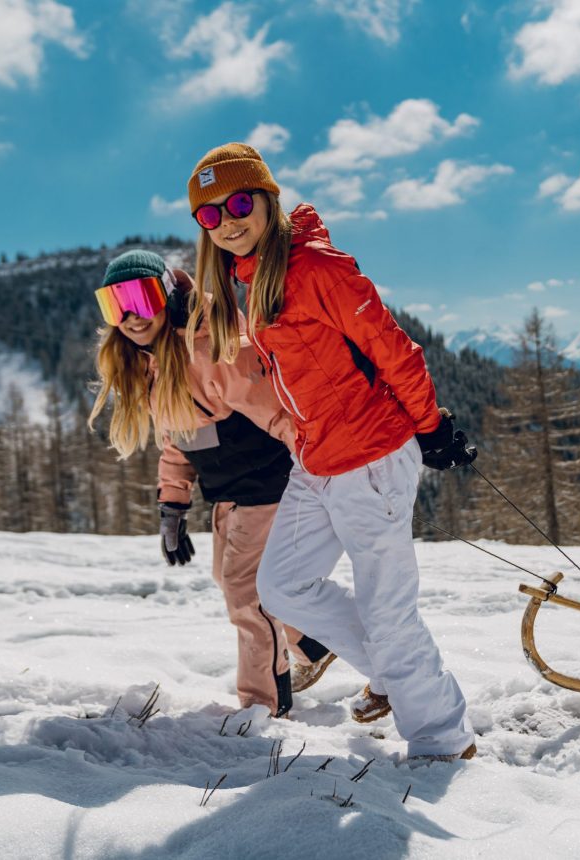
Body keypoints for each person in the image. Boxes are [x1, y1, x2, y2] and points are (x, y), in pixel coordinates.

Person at [184, 143, 478, 761]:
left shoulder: (315, 269)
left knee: (387, 607)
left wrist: (430, 426)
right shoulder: (252, 282)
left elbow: (395, 349)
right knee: (284, 586)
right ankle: (403, 678)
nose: (228, 221)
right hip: (316, 463)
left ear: (266, 200)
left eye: (238, 203)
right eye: (210, 215)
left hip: (370, 456)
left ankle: (443, 743)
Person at [88, 249, 335, 718]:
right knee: (230, 580)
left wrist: (327, 468)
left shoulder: (213, 348)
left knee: (246, 598)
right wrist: (172, 506)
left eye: (141, 297)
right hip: (229, 495)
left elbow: (281, 414)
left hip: (268, 485)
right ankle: (317, 645)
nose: (131, 316)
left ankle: (261, 705)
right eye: (115, 304)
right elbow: (180, 440)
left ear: (166, 293)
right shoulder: (154, 363)